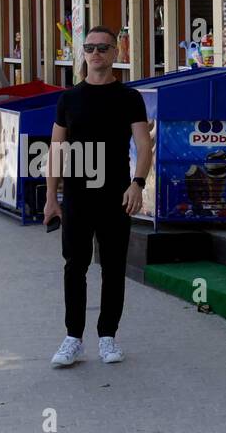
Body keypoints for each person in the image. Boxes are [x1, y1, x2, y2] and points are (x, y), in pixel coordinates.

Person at [43, 26, 152, 368]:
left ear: (115, 53)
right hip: (77, 193)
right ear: (83, 53)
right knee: (74, 266)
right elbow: (57, 149)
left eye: (103, 48)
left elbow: (144, 144)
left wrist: (137, 183)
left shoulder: (128, 98)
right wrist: (51, 197)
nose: (96, 53)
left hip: (116, 194)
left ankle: (108, 336)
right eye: (90, 47)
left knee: (113, 266)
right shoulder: (69, 99)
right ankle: (73, 338)